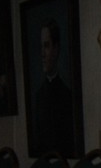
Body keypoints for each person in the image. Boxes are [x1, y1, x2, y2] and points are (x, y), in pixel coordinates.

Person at [30, 18, 80, 158]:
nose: (42, 53)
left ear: (56, 49)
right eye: (41, 46)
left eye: (46, 46)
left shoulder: (67, 95)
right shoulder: (39, 96)